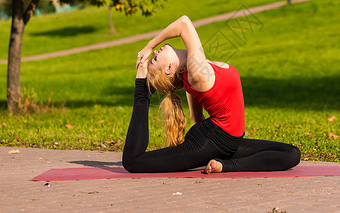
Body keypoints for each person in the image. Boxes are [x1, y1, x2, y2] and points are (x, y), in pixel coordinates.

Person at [122, 15, 300, 173]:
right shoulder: (195, 72)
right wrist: (148, 46)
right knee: (133, 162)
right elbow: (184, 23)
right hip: (210, 142)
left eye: (152, 55)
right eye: (154, 59)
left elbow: (196, 116)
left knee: (291, 154)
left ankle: (223, 164)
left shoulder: (188, 76)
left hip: (223, 142)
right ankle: (142, 90)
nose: (154, 52)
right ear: (168, 68)